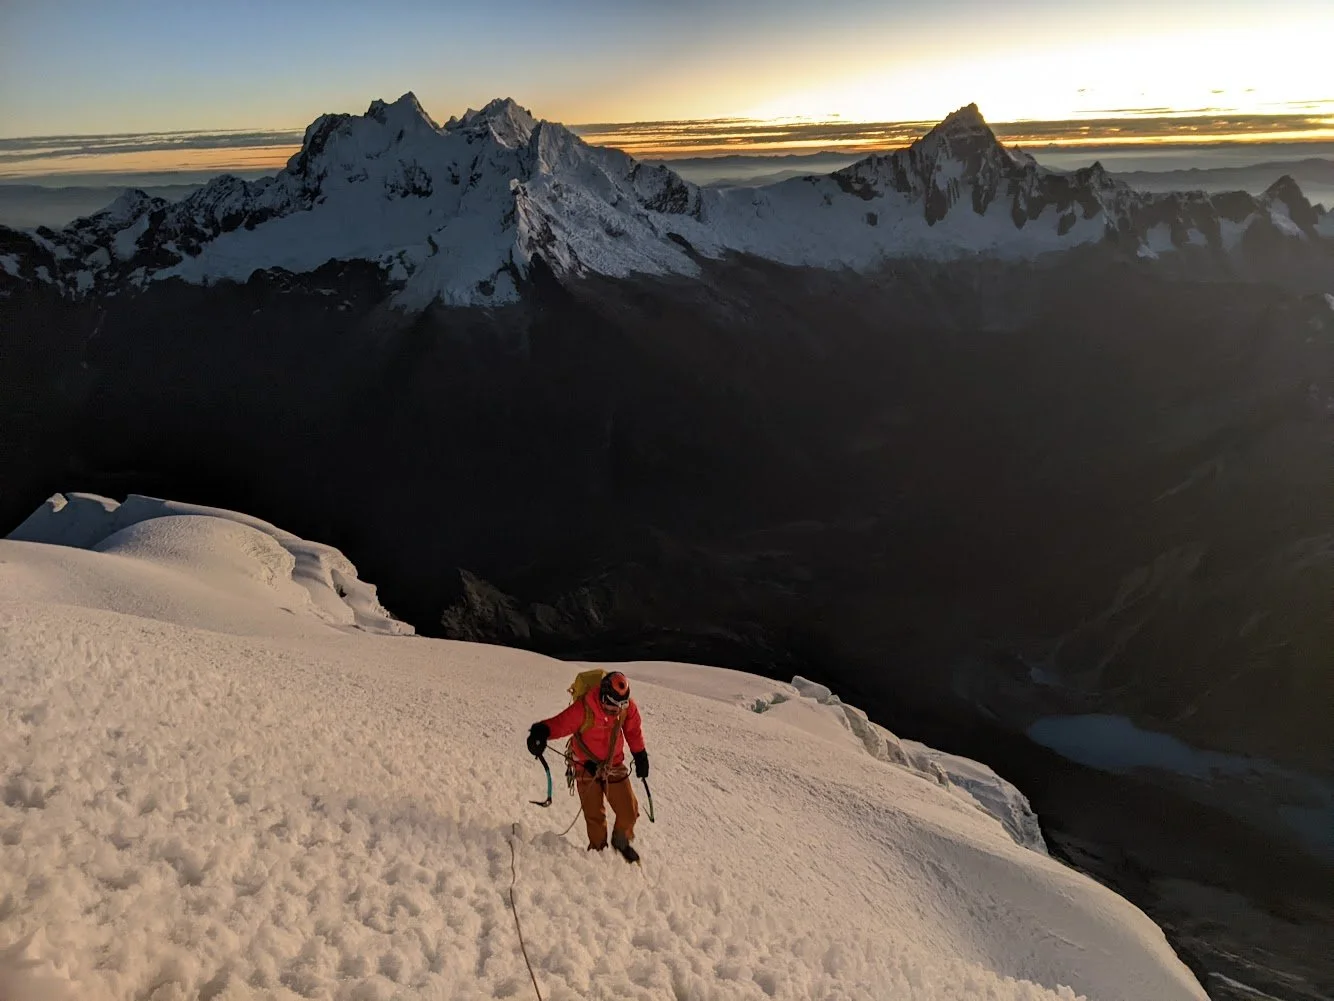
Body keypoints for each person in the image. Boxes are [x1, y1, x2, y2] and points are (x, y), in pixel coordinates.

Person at [527, 670, 649, 861]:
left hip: (613, 764)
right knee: (594, 815)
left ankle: (621, 839)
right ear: (603, 696)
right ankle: (598, 853)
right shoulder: (584, 708)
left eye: (621, 705)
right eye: (612, 705)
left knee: (629, 811)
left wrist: (640, 755)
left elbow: (633, 731)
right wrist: (540, 732)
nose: (616, 710)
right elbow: (561, 723)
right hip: (584, 764)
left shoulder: (626, 708)